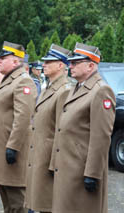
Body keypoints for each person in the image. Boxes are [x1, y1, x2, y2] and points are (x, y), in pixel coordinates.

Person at [49, 43, 116, 213]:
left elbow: (101, 137)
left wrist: (92, 174)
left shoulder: (101, 91)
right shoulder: (76, 88)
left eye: (75, 63)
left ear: (91, 65)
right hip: (67, 168)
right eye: (71, 63)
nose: (70, 66)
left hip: (81, 171)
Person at [0, 41, 37, 213]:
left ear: (16, 61)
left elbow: (23, 118)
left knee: (17, 199)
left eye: (3, 58)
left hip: (12, 149)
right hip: (1, 147)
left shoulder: (23, 82)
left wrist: (13, 146)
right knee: (7, 198)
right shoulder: (8, 80)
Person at [24, 44, 72, 213]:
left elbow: (61, 131)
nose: (44, 64)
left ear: (61, 65)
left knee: (48, 204)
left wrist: (54, 164)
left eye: (49, 62)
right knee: (40, 203)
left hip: (49, 158)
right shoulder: (48, 88)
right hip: (39, 155)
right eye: (44, 61)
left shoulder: (64, 91)